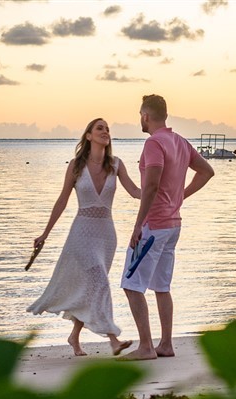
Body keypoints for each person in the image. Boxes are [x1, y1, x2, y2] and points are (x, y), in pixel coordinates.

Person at [27, 118, 141, 356]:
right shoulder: (76, 166)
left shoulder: (116, 164)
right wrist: (45, 233)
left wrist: (160, 190)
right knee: (99, 280)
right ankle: (113, 339)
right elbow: (62, 200)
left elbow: (135, 192)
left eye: (108, 129)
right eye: (100, 128)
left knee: (92, 287)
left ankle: (74, 337)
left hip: (106, 234)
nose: (105, 131)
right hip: (82, 232)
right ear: (88, 135)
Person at [120, 94, 215, 361]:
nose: (140, 118)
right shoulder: (180, 142)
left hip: (154, 225)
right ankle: (166, 344)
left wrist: (138, 225)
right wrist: (180, 195)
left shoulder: (154, 143)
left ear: (146, 116)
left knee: (132, 284)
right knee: (161, 286)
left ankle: (147, 347)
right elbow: (206, 171)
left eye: (140, 114)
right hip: (173, 225)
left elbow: (150, 185)